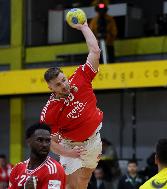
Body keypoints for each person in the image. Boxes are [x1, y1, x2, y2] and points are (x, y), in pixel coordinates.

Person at [40, 21, 103, 189]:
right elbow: (50, 142)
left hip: (94, 140)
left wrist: (84, 27)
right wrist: (69, 153)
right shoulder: (49, 112)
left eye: (63, 80)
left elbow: (95, 51)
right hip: (71, 145)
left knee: (85, 179)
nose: (64, 85)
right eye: (58, 85)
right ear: (50, 88)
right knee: (70, 185)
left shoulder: (81, 77)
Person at [8, 123, 66, 189]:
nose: (45, 145)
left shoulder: (54, 170)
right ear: (28, 142)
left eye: (48, 141)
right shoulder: (17, 169)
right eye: (40, 140)